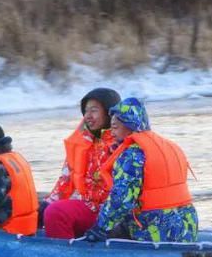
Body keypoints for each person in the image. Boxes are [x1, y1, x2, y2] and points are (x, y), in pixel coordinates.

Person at [83, 98, 199, 243]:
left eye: (115, 127)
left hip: (158, 230)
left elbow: (122, 198)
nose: (111, 132)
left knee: (104, 232)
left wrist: (100, 227)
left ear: (129, 125)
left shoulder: (132, 154)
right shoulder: (171, 146)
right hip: (188, 225)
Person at [43, 87, 122, 239]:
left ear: (109, 113)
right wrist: (48, 202)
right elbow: (66, 179)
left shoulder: (120, 145)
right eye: (86, 111)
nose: (88, 116)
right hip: (87, 204)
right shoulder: (82, 143)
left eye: (94, 110)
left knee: (56, 212)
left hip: (108, 212)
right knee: (44, 209)